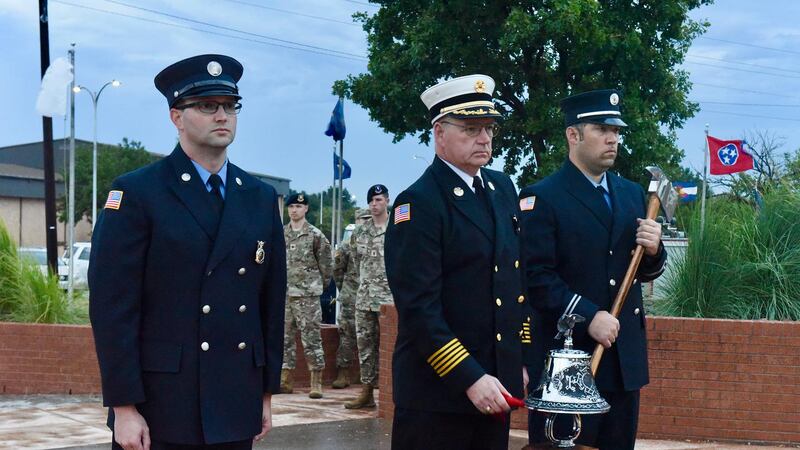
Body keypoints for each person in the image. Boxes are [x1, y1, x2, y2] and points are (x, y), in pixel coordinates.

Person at [88, 54, 287, 450]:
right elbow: (114, 307)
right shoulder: (138, 192)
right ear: (176, 117)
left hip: (234, 396)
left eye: (230, 107)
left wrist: (265, 392)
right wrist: (124, 407)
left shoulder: (259, 197)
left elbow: (269, 302)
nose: (222, 116)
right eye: (207, 106)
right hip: (162, 403)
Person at [384, 74, 532, 449]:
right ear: (439, 133)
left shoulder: (501, 189)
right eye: (470, 129)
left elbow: (514, 283)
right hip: (437, 397)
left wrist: (520, 359)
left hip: (495, 388)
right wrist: (469, 377)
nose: (484, 139)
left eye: (488, 128)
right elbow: (419, 310)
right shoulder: (418, 204)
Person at [519, 89, 667, 449]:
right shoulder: (542, 197)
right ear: (574, 135)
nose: (613, 138)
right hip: (569, 361)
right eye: (602, 129)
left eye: (616, 131)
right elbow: (536, 279)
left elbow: (640, 273)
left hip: (622, 360)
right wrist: (589, 316)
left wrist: (653, 250)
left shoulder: (633, 194)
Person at [343, 185, 394, 409]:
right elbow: (355, 262)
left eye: (379, 200)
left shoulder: (397, 228)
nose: (375, 205)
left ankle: (391, 391)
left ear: (387, 201)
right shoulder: (360, 232)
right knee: (365, 346)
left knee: (390, 346)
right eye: (371, 201)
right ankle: (366, 393)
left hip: (389, 299)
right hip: (364, 298)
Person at [280, 192, 333, 399]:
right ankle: (285, 379)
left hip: (307, 296)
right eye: (291, 206)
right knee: (284, 339)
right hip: (285, 295)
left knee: (311, 338)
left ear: (306, 209)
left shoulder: (315, 235)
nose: (294, 210)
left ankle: (316, 381)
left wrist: (316, 287)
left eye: (298, 207)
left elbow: (327, 267)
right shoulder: (281, 234)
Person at [331, 208, 371, 389]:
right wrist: (346, 289)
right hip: (350, 296)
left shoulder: (380, 242)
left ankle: (372, 379)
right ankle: (343, 373)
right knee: (346, 336)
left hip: (373, 297)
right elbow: (337, 271)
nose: (366, 222)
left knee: (372, 338)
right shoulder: (347, 245)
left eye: (369, 218)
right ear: (356, 221)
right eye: (363, 219)